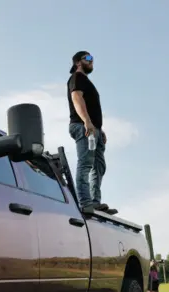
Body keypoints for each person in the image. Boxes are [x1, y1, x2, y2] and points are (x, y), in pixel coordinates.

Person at [66, 50, 116, 215]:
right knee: (86, 163)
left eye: (93, 58)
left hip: (94, 129)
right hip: (82, 126)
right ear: (78, 62)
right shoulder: (77, 78)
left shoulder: (86, 81)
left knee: (99, 166)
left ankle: (95, 202)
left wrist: (99, 129)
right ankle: (85, 202)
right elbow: (77, 98)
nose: (91, 61)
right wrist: (87, 122)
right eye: (88, 58)